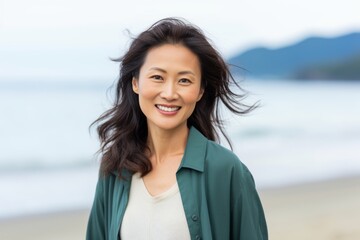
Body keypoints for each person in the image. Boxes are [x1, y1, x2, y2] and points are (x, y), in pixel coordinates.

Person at [86, 18, 268, 240]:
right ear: (135, 83)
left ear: (200, 90)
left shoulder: (226, 170)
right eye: (157, 77)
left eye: (184, 80)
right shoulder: (116, 166)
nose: (170, 93)